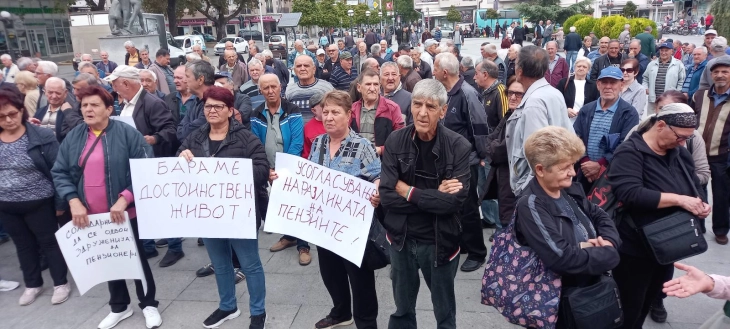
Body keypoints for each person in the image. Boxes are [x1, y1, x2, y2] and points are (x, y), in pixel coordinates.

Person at [52, 85, 162, 329]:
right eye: (84, 105)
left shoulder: (126, 134)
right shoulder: (75, 136)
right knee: (108, 260)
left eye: (94, 105)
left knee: (135, 259)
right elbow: (60, 171)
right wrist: (73, 200)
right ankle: (119, 306)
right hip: (90, 215)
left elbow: (146, 169)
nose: (88, 109)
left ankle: (148, 303)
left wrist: (124, 198)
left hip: (124, 213)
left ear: (109, 109)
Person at [273, 90, 381, 329]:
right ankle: (341, 312)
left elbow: (377, 175)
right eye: (326, 111)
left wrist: (377, 189)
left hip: (351, 228)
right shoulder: (320, 142)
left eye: (335, 112)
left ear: (348, 115)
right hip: (323, 225)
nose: (329, 117)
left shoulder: (362, 146)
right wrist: (282, 177)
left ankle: (366, 322)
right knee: (331, 273)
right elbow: (310, 175)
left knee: (360, 279)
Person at [380, 79, 471, 329]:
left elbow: (454, 203)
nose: (422, 112)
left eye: (430, 106)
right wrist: (434, 196)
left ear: (443, 111)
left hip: (439, 241)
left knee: (444, 311)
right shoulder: (395, 141)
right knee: (402, 309)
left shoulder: (459, 147)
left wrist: (407, 190)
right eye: (417, 104)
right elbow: (387, 196)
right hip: (401, 239)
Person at [609, 102, 709, 329]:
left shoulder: (679, 153)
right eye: (680, 136)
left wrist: (699, 203)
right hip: (634, 246)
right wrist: (679, 199)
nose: (683, 142)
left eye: (687, 138)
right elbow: (630, 192)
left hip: (667, 243)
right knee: (628, 305)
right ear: (661, 125)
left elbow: (694, 184)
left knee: (648, 300)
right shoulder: (630, 151)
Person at [511, 125, 621, 328]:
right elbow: (561, 257)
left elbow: (600, 215)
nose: (572, 172)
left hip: (584, 288)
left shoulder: (568, 189)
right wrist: (609, 253)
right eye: (564, 167)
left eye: (573, 165)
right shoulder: (531, 203)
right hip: (556, 301)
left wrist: (610, 240)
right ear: (541, 170)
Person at [177, 86, 268, 329]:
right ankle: (228, 305)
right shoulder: (195, 137)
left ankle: (258, 312)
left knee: (250, 264)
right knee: (220, 262)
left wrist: (231, 172)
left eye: (218, 107)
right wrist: (181, 156)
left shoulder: (245, 138)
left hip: (240, 214)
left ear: (230, 111)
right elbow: (178, 161)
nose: (212, 111)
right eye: (208, 106)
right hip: (207, 213)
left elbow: (261, 169)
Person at [0, 84, 71, 306]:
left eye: (12, 114)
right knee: (23, 245)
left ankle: (60, 283)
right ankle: (33, 284)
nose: (8, 120)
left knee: (49, 242)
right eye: (2, 117)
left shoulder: (40, 135)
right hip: (7, 203)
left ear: (22, 110)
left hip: (39, 201)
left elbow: (59, 169)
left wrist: (61, 202)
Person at [432, 52, 489, 272]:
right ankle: (463, 244)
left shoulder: (467, 93)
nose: (433, 71)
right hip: (448, 161)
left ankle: (477, 252)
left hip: (466, 162)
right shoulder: (445, 92)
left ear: (444, 72)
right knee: (454, 206)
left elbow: (479, 127)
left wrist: (482, 156)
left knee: (468, 207)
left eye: (435, 68)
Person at [506, 45, 574, 196]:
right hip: (551, 181)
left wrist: (525, 189)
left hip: (537, 189)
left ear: (520, 71)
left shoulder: (534, 102)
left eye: (516, 63)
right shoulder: (553, 93)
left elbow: (537, 155)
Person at [573, 67, 639, 190]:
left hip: (611, 175)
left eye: (613, 82)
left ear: (621, 85)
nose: (608, 86)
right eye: (604, 82)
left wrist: (600, 164)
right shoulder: (586, 110)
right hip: (584, 171)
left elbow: (626, 144)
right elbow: (576, 137)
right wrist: (585, 162)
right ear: (598, 85)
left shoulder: (629, 113)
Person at [693, 56, 730, 245]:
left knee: (722, 194)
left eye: (725, 71)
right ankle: (698, 227)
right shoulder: (700, 95)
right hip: (698, 155)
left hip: (723, 156)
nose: (720, 75)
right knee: (697, 192)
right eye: (716, 72)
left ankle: (721, 229)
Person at [473, 59, 507, 228]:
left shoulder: (501, 91)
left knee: (494, 189)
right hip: (482, 150)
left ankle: (500, 226)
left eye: (476, 73)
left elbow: (505, 123)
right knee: (482, 186)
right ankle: (488, 219)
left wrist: (493, 149)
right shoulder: (484, 92)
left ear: (485, 75)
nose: (474, 77)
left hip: (492, 152)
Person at [286, 55, 334, 124]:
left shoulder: (326, 87)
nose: (302, 69)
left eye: (306, 66)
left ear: (314, 69)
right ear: (295, 70)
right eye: (299, 66)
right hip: (297, 133)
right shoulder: (289, 90)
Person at [643, 42, 686, 114]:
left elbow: (681, 80)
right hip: (654, 99)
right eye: (662, 50)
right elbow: (645, 78)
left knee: (667, 120)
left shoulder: (678, 64)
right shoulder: (652, 64)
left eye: (666, 50)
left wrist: (677, 93)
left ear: (672, 51)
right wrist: (646, 87)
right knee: (652, 120)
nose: (663, 53)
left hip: (670, 100)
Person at [557, 56, 598, 123]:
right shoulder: (564, 82)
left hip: (584, 122)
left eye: (584, 67)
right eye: (579, 66)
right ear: (574, 67)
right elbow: (556, 100)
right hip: (566, 121)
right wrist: (565, 110)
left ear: (588, 70)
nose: (581, 68)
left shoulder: (593, 86)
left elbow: (596, 104)